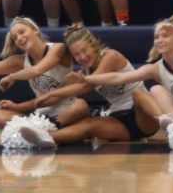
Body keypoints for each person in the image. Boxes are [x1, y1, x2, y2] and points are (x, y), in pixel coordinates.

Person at [15, 27, 161, 148]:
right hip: (121, 122)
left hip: (143, 116)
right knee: (89, 124)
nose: (82, 57)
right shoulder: (83, 73)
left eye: (85, 50)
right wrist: (18, 106)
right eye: (76, 55)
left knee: (138, 94)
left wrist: (51, 93)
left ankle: (171, 125)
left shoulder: (111, 56)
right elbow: (60, 95)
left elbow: (87, 86)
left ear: (93, 44)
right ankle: (45, 137)